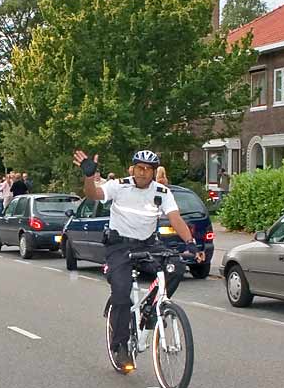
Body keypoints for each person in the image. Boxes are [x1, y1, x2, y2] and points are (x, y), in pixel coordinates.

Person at [73, 149, 205, 370]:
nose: (143, 173)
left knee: (176, 267)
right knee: (122, 294)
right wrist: (88, 176)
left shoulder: (162, 191)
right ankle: (120, 346)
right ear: (132, 168)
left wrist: (191, 244)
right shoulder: (119, 186)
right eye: (139, 168)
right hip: (119, 246)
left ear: (154, 172)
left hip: (148, 243)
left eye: (148, 170)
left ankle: (152, 310)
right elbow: (93, 195)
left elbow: (175, 218)